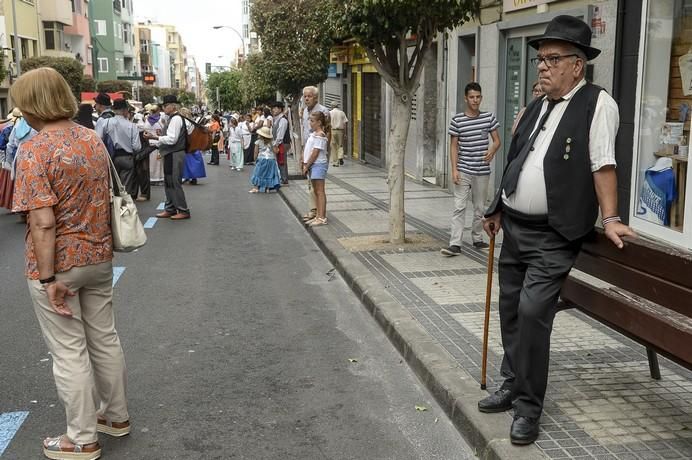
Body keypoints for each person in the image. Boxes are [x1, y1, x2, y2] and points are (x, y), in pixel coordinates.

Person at [478, 15, 635, 445]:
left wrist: (611, 218)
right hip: (515, 226)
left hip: (554, 235)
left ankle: (528, 407)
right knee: (511, 309)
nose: (542, 67)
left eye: (552, 59)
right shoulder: (537, 106)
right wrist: (495, 207)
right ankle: (512, 383)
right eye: (540, 60)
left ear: (577, 65)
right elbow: (515, 159)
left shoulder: (597, 104)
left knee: (532, 314)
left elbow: (603, 163)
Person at [11, 67, 130, 460]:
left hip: (58, 264)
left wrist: (47, 278)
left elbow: (42, 221)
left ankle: (80, 439)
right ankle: (115, 416)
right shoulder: (91, 139)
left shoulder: (34, 149)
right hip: (99, 257)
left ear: (32, 105)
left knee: (68, 351)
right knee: (104, 338)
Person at [441, 82, 501, 256]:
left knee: (479, 208)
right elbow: (453, 146)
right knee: (459, 206)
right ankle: (455, 244)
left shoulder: (488, 118)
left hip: (482, 172)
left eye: (478, 97)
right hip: (464, 170)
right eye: (472, 97)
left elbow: (497, 141)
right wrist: (454, 170)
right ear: (465, 99)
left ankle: (477, 238)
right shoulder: (457, 120)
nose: (475, 100)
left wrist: (492, 150)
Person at [144, 94, 192, 220]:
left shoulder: (175, 119)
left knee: (174, 182)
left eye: (165, 106)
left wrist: (155, 137)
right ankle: (170, 208)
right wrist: (156, 139)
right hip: (171, 154)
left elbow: (172, 139)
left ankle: (183, 209)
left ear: (172, 106)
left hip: (175, 154)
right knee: (169, 182)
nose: (163, 108)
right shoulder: (172, 118)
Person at [96, 98, 141, 197]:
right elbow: (137, 147)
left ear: (113, 109)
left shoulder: (105, 122)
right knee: (126, 188)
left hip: (110, 158)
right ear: (125, 110)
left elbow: (98, 140)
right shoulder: (132, 126)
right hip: (127, 157)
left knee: (112, 186)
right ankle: (125, 209)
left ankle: (115, 209)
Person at [301, 86, 330, 222]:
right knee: (311, 186)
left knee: (318, 189)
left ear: (316, 97)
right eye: (305, 96)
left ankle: (319, 214)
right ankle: (314, 211)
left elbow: (326, 133)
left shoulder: (323, 111)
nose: (306, 98)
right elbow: (304, 133)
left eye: (309, 96)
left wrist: (321, 152)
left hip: (317, 155)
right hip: (309, 152)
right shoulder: (305, 111)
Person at [249, 126, 281, 193]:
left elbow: (255, 152)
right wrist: (272, 145)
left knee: (258, 173)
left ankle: (256, 187)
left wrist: (255, 159)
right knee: (269, 174)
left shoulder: (258, 142)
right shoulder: (272, 142)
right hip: (271, 160)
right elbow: (276, 151)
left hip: (262, 159)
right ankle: (268, 188)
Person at [143, 105, 165, 185]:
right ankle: (159, 179)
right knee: (159, 163)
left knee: (151, 163)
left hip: (150, 144)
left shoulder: (147, 120)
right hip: (159, 143)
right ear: (158, 111)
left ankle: (152, 178)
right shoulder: (161, 120)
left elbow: (144, 130)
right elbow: (164, 130)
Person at [271, 101, 289, 184]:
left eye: (275, 108)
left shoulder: (283, 120)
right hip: (278, 143)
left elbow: (280, 134)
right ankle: (282, 178)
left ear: (280, 109)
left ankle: (284, 179)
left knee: (282, 161)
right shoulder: (276, 119)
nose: (273, 110)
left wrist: (275, 144)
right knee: (279, 161)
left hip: (282, 143)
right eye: (273, 108)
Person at [329, 101, 348, 167]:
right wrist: (345, 133)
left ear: (332, 106)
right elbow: (345, 124)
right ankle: (340, 157)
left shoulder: (330, 113)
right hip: (340, 131)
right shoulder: (342, 113)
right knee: (340, 145)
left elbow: (328, 124)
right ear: (337, 106)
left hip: (332, 131)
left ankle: (335, 162)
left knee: (333, 146)